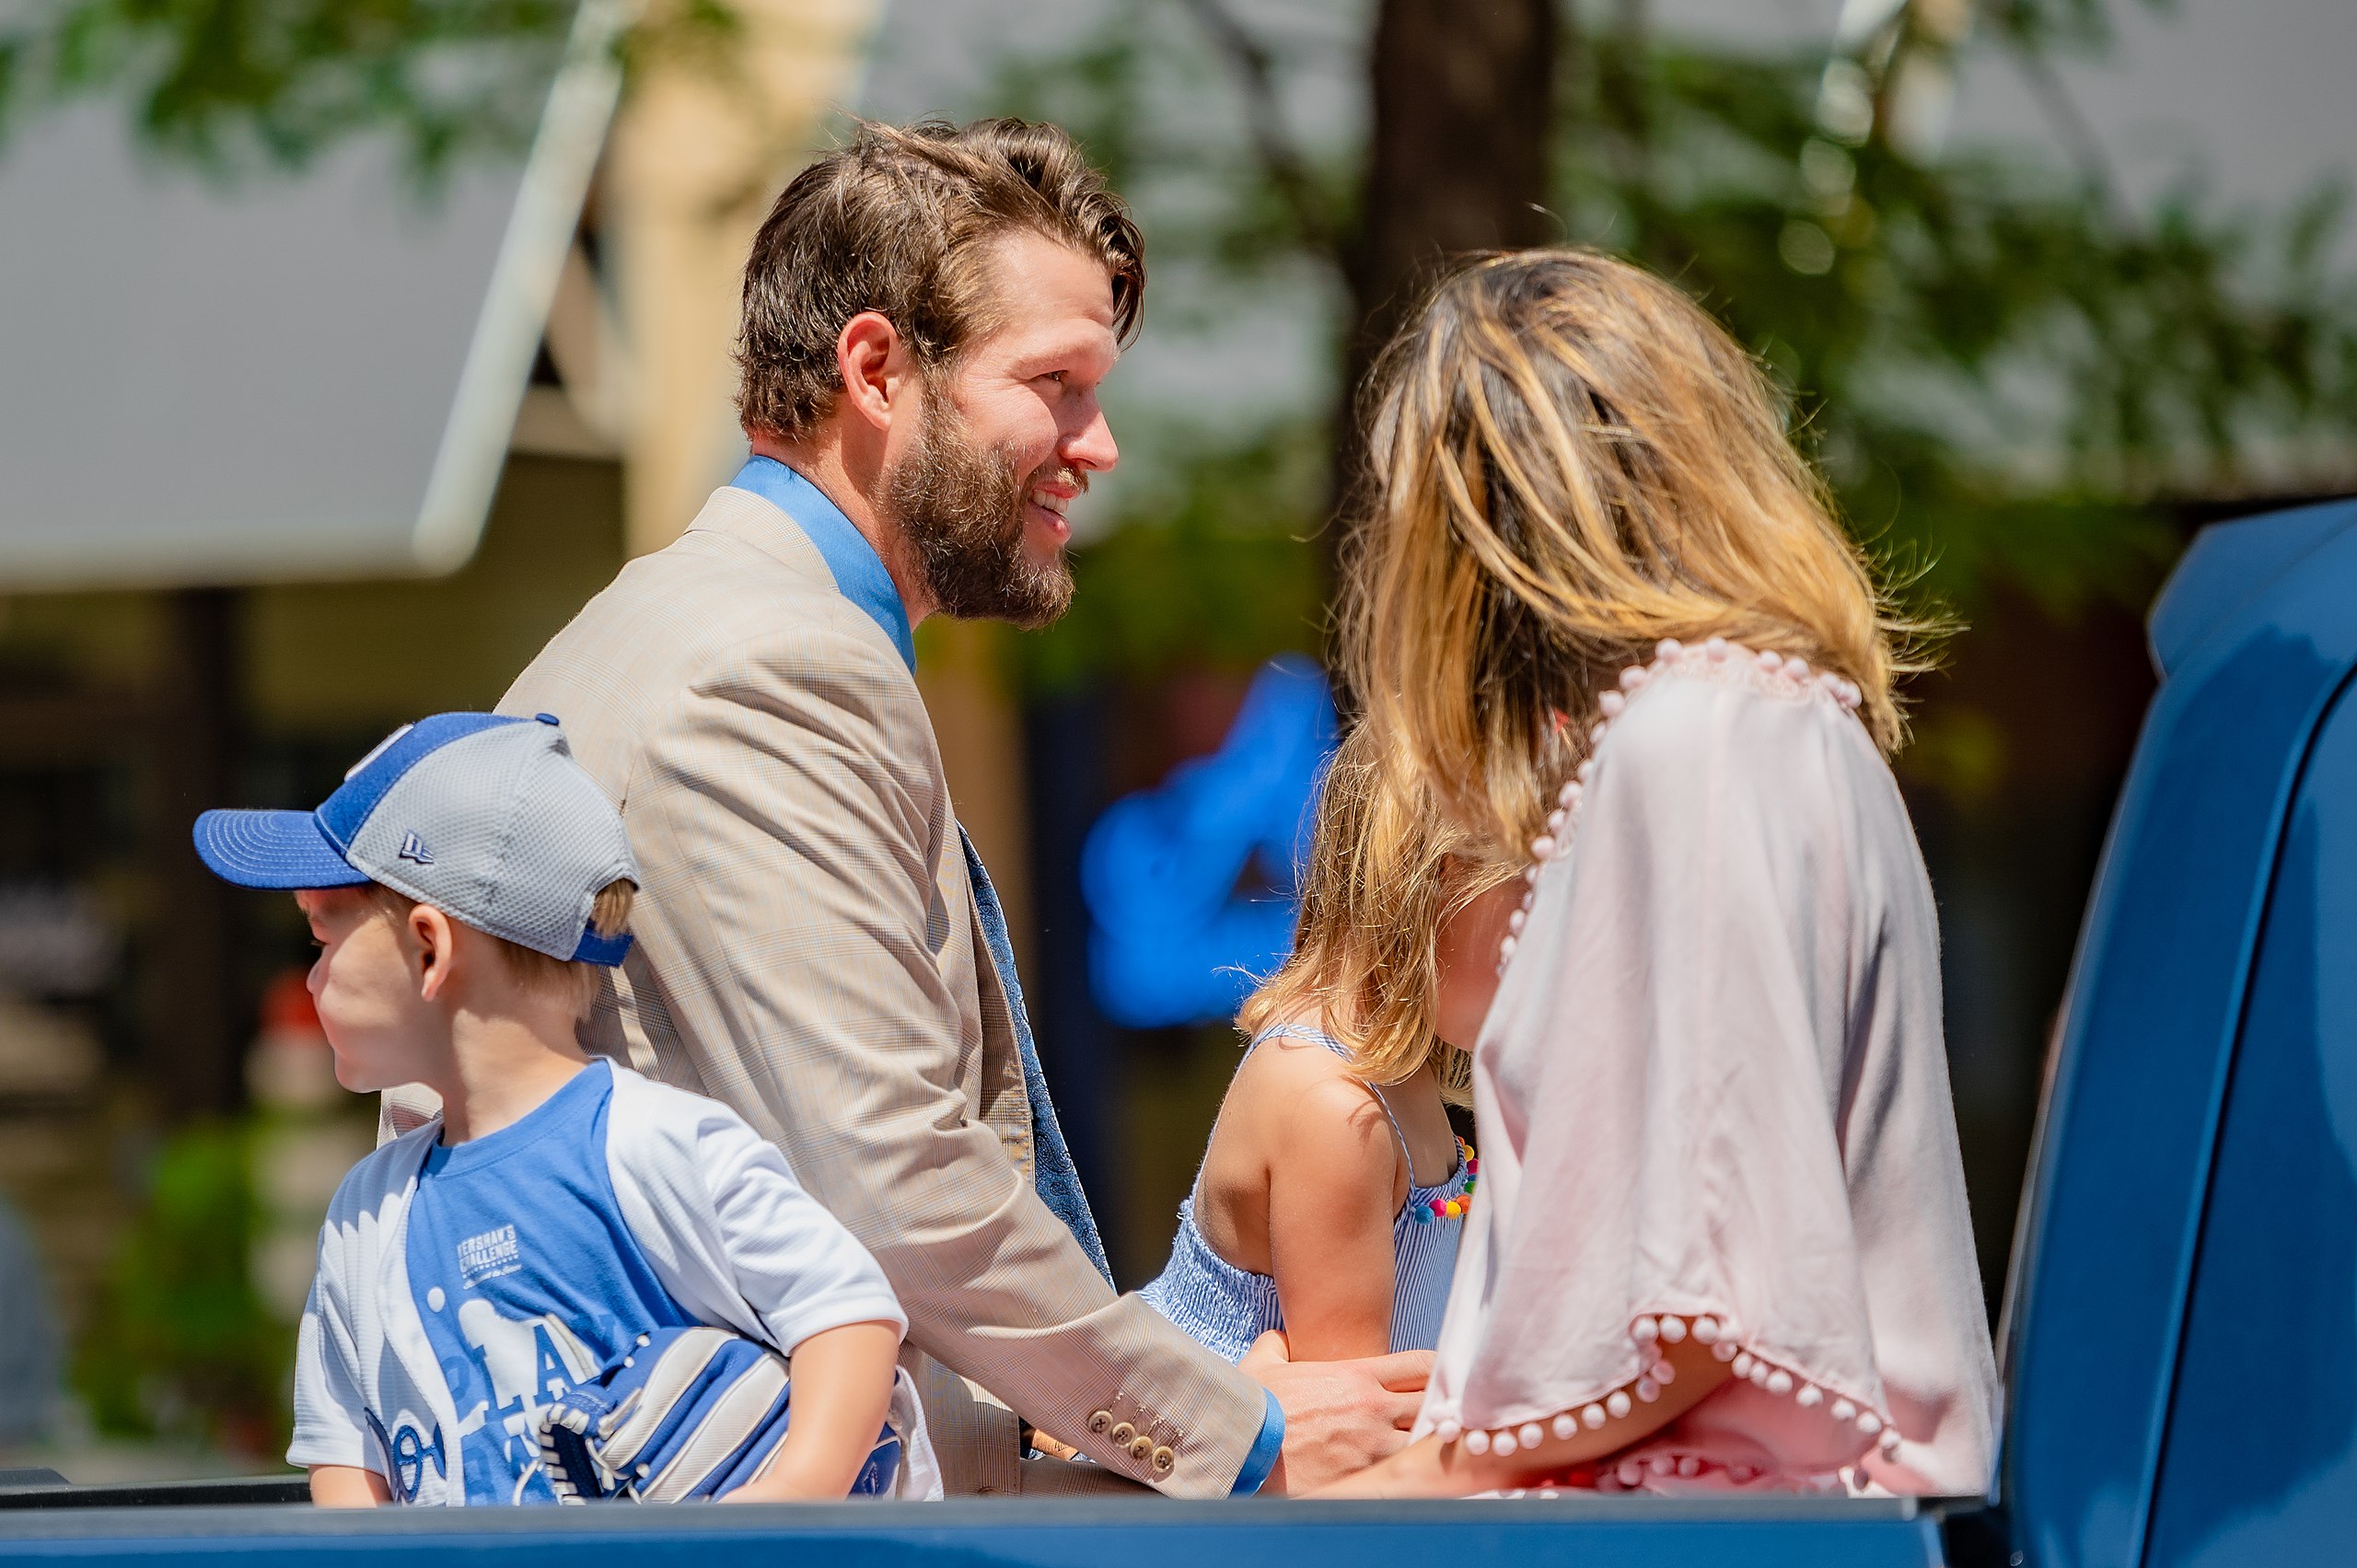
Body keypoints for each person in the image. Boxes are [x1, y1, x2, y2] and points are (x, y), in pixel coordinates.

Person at [499, 118, 1424, 1498]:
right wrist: (1246, 1434)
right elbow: (895, 1181)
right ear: (876, 369)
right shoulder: (774, 665)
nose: (1097, 445)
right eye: (1054, 382)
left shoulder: (686, 629)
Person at [1323, 249, 1999, 1497]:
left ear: (1486, 512)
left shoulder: (1697, 742)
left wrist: (1402, 1485)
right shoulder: (1779, 726)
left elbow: (1695, 1304)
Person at [193, 713, 934, 1506]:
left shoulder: (657, 1145)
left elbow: (848, 1315)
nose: (309, 981)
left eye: (321, 942)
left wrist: (788, 1500)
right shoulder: (364, 1215)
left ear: (430, 948)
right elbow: (347, 1455)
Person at [1139, 723, 1517, 1364]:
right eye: (1525, 900)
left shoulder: (1398, 1070)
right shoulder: (1335, 1110)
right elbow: (1349, 1437)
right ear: (1441, 880)